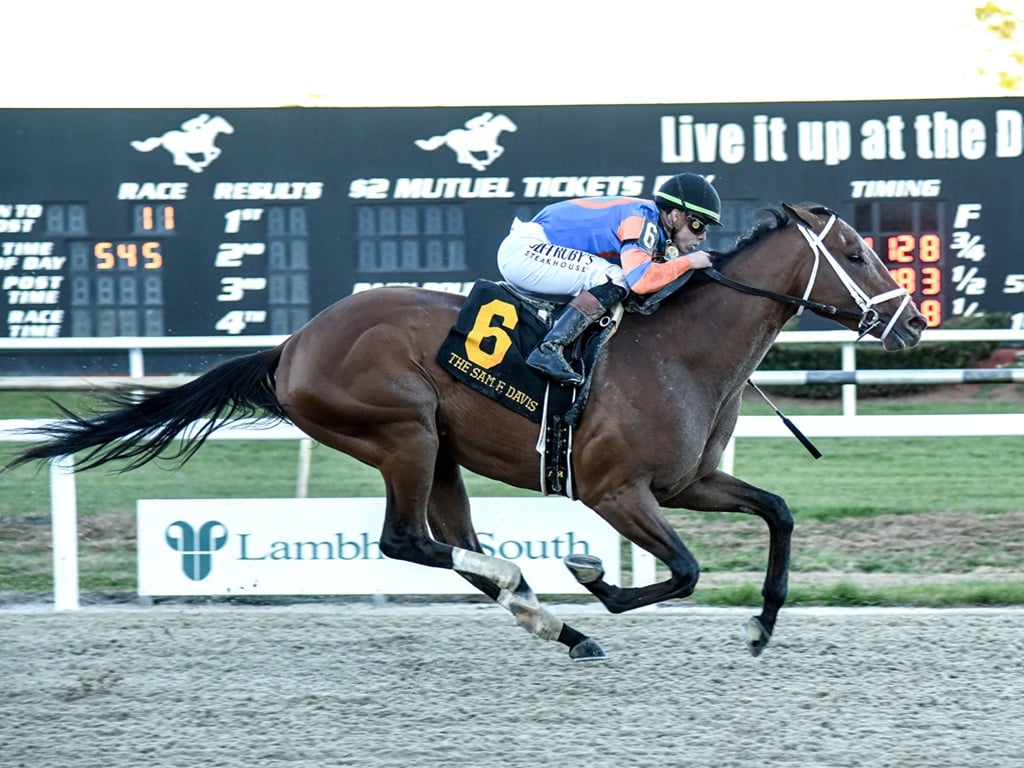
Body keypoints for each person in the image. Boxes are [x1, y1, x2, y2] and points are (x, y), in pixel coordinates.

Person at [497, 172, 721, 386]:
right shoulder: (642, 219)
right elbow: (641, 280)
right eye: (697, 225)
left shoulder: (651, 223)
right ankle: (549, 348)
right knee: (616, 277)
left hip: (533, 250)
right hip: (526, 251)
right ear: (675, 215)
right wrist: (688, 262)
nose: (702, 235)